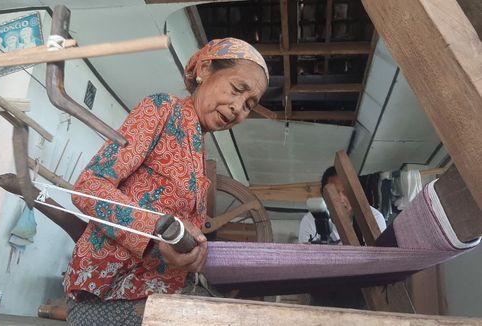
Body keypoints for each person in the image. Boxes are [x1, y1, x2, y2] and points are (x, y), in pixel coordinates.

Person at [64, 38, 268, 325]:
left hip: (155, 295)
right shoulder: (162, 109)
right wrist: (158, 236)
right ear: (206, 70)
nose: (237, 108)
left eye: (249, 105)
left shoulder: (198, 149)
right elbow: (90, 187)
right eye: (237, 89)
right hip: (109, 294)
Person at [299, 166, 386, 244]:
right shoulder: (310, 221)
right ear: (324, 194)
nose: (341, 198)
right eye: (334, 192)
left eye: (346, 192)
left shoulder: (374, 218)